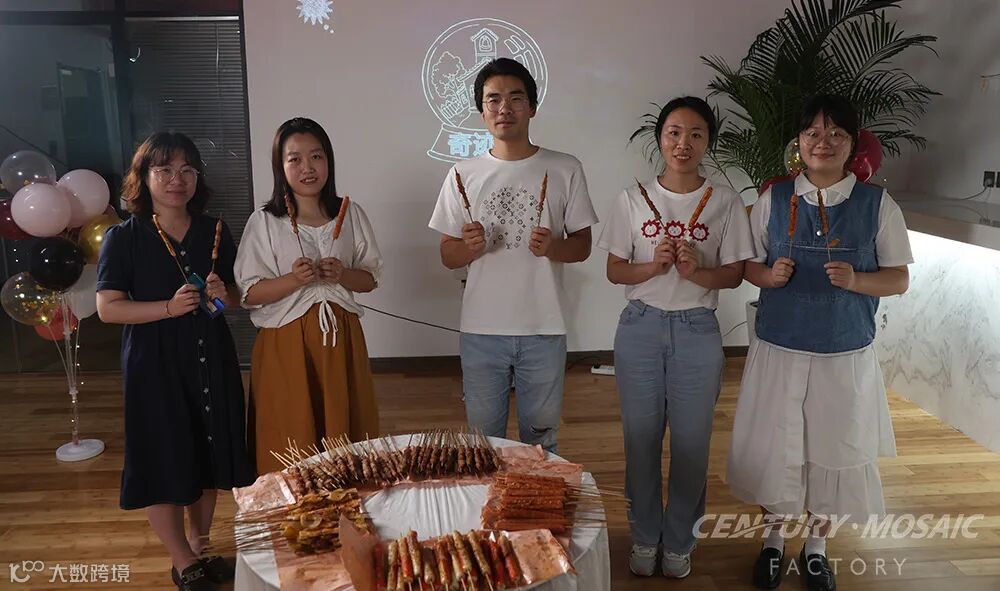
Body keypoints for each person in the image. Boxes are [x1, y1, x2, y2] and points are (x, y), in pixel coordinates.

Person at [727, 94, 912, 591]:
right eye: (812, 132)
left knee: (832, 451)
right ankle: (772, 541)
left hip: (843, 353)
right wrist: (768, 276)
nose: (822, 142)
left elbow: (898, 278)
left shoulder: (877, 204)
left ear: (853, 143)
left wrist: (857, 280)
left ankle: (815, 548)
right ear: (799, 141)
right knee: (776, 449)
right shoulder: (774, 198)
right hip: (779, 349)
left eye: (835, 134)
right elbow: (747, 266)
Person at [597, 97, 755, 578]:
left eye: (696, 134)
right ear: (660, 138)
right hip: (640, 327)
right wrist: (654, 267)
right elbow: (615, 270)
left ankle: (680, 540)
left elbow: (734, 275)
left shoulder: (725, 201)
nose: (683, 143)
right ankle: (645, 536)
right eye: (674, 132)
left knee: (691, 443)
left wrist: (696, 271)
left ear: (708, 142)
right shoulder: (632, 198)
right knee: (640, 440)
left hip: (697, 329)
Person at [97, 132, 253, 590]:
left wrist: (225, 295)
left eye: (187, 170)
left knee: (208, 455)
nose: (176, 180)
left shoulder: (215, 230)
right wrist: (167, 308)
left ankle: (200, 547)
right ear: (143, 178)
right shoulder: (124, 238)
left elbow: (233, 299)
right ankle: (181, 558)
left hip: (211, 358)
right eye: (163, 170)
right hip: (154, 365)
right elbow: (108, 308)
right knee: (163, 458)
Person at [428, 58, 598, 453]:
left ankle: (537, 498)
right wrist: (467, 248)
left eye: (515, 98)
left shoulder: (564, 168)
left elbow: (583, 246)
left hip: (544, 328)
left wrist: (554, 246)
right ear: (482, 111)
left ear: (532, 107)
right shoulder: (462, 173)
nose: (504, 108)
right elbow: (447, 255)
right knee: (483, 446)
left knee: (541, 443)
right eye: (493, 99)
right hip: (481, 331)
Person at [235, 117, 382, 475]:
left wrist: (342, 274)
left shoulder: (349, 213)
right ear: (280, 166)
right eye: (294, 159)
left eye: (316, 156)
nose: (307, 168)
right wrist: (293, 280)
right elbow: (249, 292)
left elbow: (369, 279)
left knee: (344, 439)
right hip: (286, 345)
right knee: (291, 436)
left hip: (342, 342)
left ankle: (345, 502)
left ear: (329, 161)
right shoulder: (265, 221)